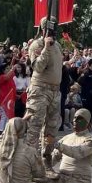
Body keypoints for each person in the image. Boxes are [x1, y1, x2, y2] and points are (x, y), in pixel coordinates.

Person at [26, 20, 63, 167]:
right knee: (34, 127)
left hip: (55, 91)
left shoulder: (58, 46)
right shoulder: (37, 45)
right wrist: (46, 48)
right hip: (40, 90)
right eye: (49, 31)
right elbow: (38, 67)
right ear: (43, 31)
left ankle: (45, 161)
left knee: (52, 129)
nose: (52, 34)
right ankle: (29, 164)